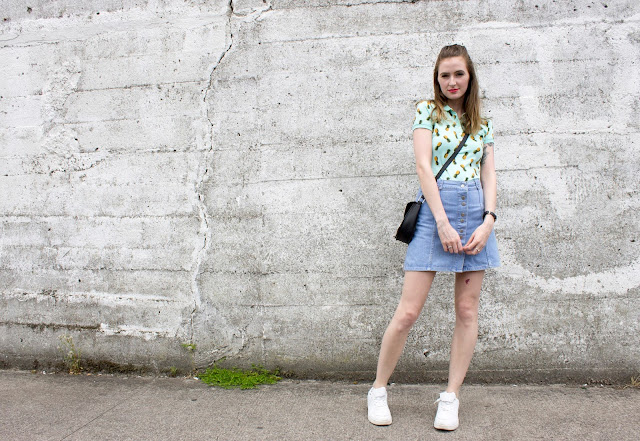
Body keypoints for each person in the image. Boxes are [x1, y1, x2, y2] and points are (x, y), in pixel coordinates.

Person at [367, 44, 500, 431]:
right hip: (435, 213)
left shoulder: (482, 123)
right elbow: (424, 167)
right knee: (408, 312)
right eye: (445, 75)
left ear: (470, 76)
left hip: (475, 213)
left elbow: (489, 174)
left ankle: (450, 397)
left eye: (459, 74)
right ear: (436, 79)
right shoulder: (427, 110)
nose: (452, 81)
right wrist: (441, 221)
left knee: (467, 311)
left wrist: (489, 220)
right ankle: (378, 389)